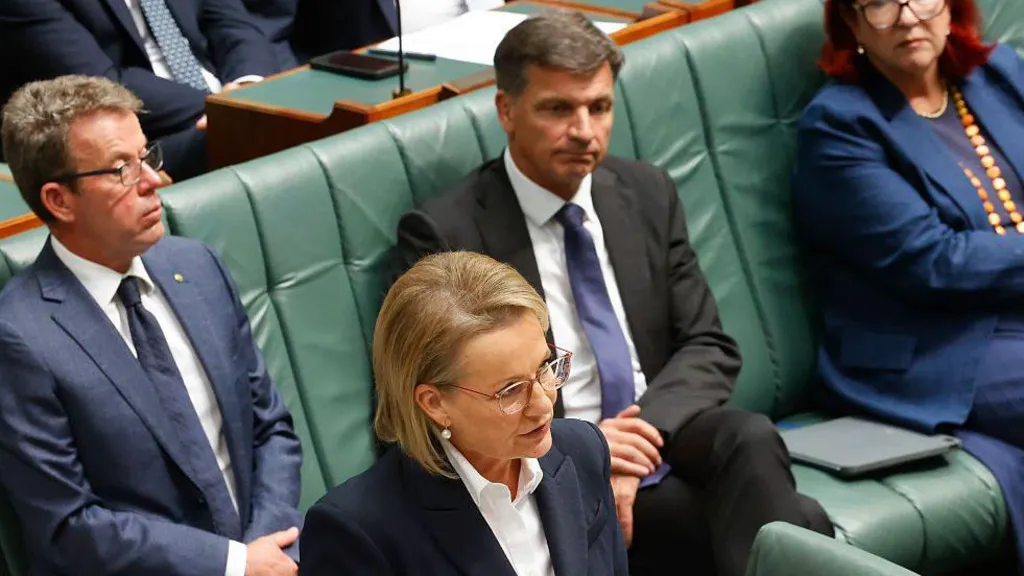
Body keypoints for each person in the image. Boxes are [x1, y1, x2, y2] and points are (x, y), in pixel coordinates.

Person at [396, 10, 833, 576]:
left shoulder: (646, 191)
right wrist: (588, 448)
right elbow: (441, 403)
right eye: (558, 109)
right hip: (542, 445)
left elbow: (709, 345)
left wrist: (630, 442)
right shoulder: (446, 232)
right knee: (799, 522)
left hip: (659, 425)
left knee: (748, 436)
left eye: (599, 107)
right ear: (506, 110)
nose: (584, 130)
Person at [0, 75, 303, 575]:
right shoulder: (20, 338)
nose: (153, 181)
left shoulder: (198, 267)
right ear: (59, 200)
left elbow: (269, 427)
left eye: (148, 156)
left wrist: (267, 547)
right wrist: (232, 565)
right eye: (122, 170)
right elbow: (67, 525)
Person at [793, 0, 1024, 570]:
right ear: (851, 24)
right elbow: (934, 261)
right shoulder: (839, 126)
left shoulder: (999, 73)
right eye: (879, 4)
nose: (907, 16)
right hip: (933, 347)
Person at [300, 251, 628, 575]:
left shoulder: (583, 450)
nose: (544, 405)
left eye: (544, 367)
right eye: (511, 390)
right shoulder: (358, 533)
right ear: (434, 404)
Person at [0, 0, 285, 180]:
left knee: (299, 122)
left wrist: (249, 89)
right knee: (253, 136)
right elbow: (101, 84)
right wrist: (228, 111)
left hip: (224, 97)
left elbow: (232, 24)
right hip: (135, 138)